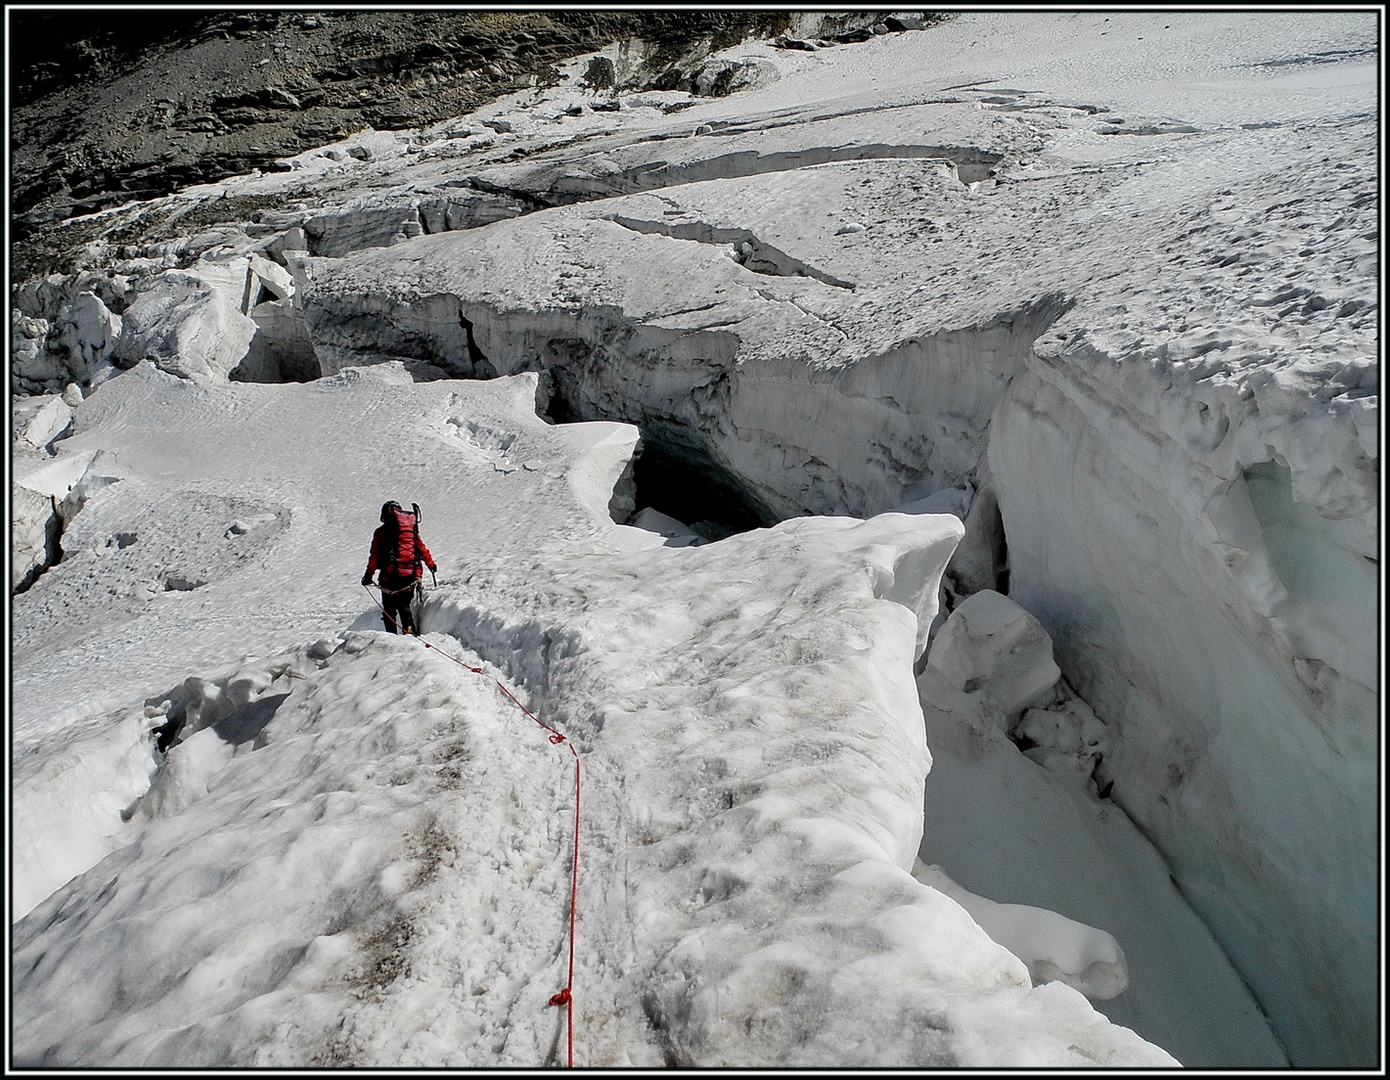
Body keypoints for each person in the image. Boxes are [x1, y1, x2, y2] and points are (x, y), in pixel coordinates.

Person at [362, 501, 436, 634]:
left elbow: (374, 556)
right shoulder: (411, 531)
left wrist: (368, 575)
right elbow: (422, 549)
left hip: (389, 577)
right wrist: (431, 565)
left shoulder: (381, 532)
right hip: (411, 575)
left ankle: (392, 638)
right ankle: (409, 633)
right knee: (404, 606)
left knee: (389, 610)